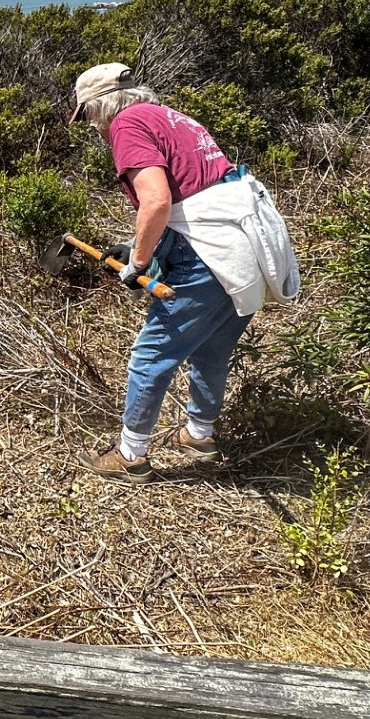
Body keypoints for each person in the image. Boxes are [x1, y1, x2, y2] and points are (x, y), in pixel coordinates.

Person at [70, 62, 298, 478]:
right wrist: (142, 244)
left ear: (101, 107)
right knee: (211, 348)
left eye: (88, 117)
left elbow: (156, 201)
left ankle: (131, 455)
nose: (93, 128)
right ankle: (199, 433)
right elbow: (192, 194)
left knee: (151, 354)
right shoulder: (170, 117)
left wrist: (137, 264)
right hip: (245, 246)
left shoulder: (126, 125)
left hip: (210, 254)